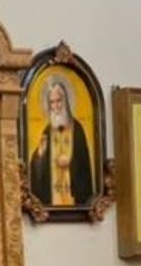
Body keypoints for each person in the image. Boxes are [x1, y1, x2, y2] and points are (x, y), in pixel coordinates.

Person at [28, 77, 93, 208]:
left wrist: (70, 162)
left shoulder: (77, 129)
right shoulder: (47, 130)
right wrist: (39, 156)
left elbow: (84, 165)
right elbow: (36, 168)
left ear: (66, 101)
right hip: (52, 196)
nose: (56, 106)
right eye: (52, 102)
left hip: (73, 194)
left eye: (59, 101)